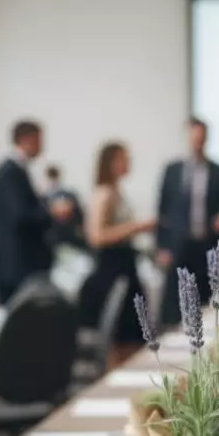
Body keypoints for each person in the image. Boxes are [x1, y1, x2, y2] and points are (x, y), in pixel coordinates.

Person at [154, 117, 219, 326]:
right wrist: (161, 246)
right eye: (193, 137)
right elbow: (162, 211)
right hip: (179, 248)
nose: (197, 142)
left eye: (201, 138)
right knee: (176, 310)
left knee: (210, 308)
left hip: (209, 248)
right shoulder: (172, 171)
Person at [79, 142, 156, 364]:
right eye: (123, 159)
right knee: (119, 339)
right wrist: (136, 227)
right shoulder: (104, 193)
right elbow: (96, 235)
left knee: (132, 338)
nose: (128, 163)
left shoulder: (116, 191)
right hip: (112, 270)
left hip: (125, 267)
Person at [0, 119, 72, 305]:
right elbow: (21, 215)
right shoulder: (10, 172)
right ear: (27, 140)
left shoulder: (16, 171)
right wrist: (52, 213)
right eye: (39, 140)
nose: (42, 146)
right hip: (15, 265)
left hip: (18, 264)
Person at [44, 164, 87, 250]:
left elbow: (79, 215)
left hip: (68, 233)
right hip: (55, 235)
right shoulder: (44, 197)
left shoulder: (69, 195)